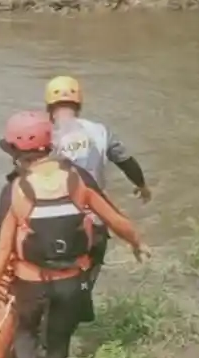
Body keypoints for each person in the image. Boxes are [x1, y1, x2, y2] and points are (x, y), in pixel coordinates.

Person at [0, 110, 150, 358]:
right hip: (71, 281)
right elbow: (112, 217)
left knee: (25, 328)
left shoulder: (14, 190)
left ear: (15, 153)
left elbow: (2, 248)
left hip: (31, 281)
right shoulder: (77, 178)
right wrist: (137, 242)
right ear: (51, 144)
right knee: (59, 341)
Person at [44, 75, 152, 302]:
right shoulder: (100, 131)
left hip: (51, 221)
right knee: (83, 286)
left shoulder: (42, 136)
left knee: (47, 284)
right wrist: (141, 186)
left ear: (49, 107)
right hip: (94, 220)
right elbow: (126, 162)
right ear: (79, 104)